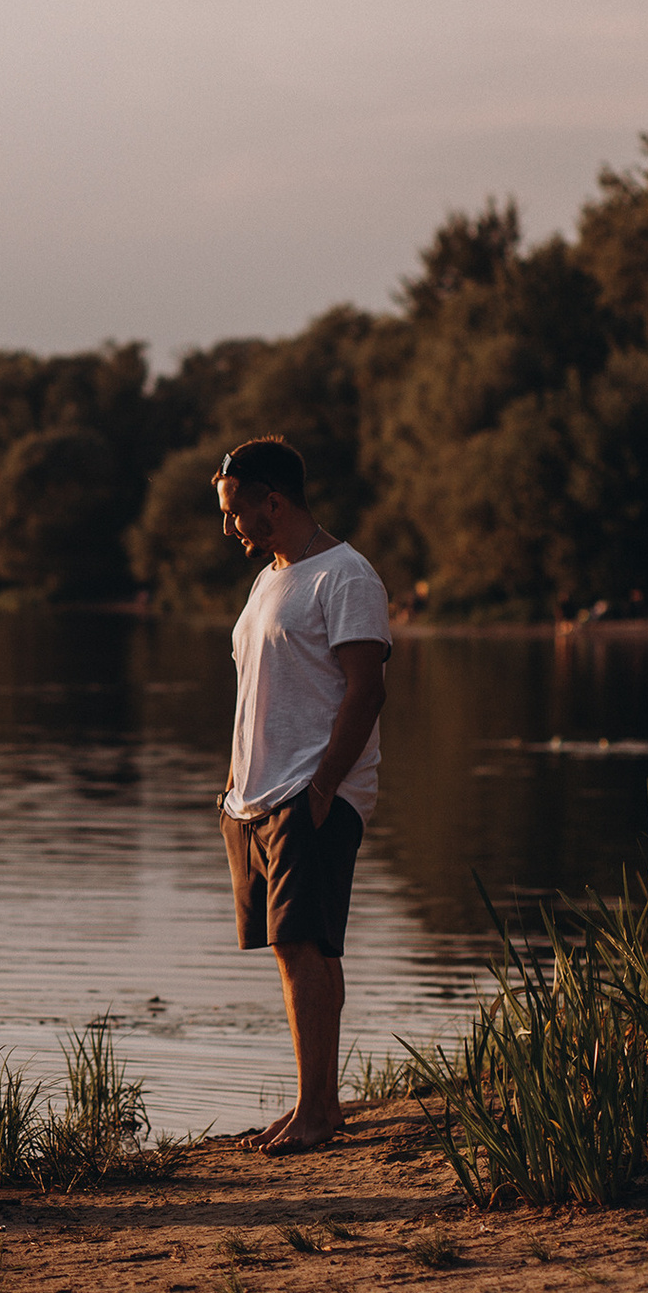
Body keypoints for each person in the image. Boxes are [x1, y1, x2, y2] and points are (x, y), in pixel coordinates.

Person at [213, 437, 391, 1155]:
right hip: (255, 797)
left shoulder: (346, 576)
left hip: (312, 790)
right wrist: (232, 783)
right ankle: (319, 1104)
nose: (229, 526)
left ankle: (314, 1113)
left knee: (299, 943)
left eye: (235, 511)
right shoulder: (268, 581)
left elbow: (367, 690)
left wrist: (322, 787)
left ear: (274, 502)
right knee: (305, 946)